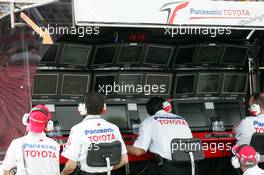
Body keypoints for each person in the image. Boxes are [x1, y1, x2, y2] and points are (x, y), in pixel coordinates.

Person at [61, 92, 128, 175]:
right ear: (103, 107)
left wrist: (62, 174)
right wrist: (108, 169)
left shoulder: (77, 129)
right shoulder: (114, 128)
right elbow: (124, 159)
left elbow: (71, 166)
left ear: (83, 107)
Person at [126, 97, 193, 175]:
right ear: (166, 107)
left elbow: (138, 151)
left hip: (169, 169)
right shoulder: (182, 119)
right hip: (191, 167)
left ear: (149, 111)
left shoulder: (150, 121)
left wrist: (122, 145)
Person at [2, 105, 60, 175]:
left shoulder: (16, 144)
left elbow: (5, 170)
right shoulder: (55, 145)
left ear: (26, 120)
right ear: (48, 124)